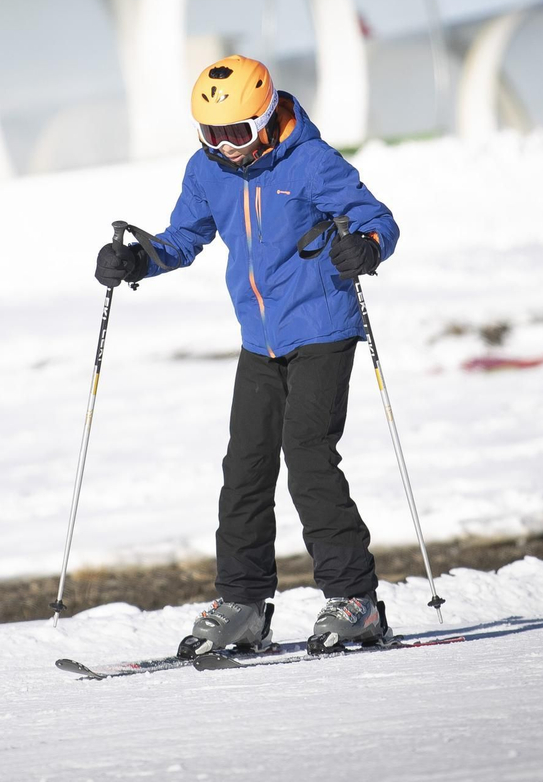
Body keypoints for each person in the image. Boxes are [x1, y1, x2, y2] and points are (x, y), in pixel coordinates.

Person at [94, 55, 398, 657]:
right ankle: (242, 604)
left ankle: (355, 600)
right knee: (245, 467)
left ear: (264, 115)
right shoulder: (207, 171)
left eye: (236, 132)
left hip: (322, 330)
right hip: (259, 340)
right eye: (212, 133)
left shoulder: (311, 162)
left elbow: (377, 219)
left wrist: (365, 247)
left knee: (307, 456)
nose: (225, 145)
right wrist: (137, 263)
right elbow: (183, 239)